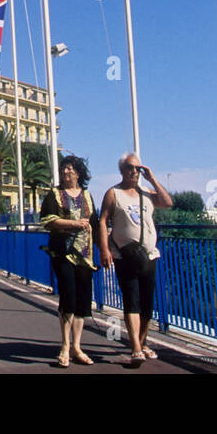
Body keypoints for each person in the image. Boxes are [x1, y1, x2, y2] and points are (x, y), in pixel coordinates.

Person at [99, 152, 173, 364]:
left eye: (137, 168)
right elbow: (103, 221)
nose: (134, 172)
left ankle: (142, 342)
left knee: (147, 304)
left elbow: (167, 203)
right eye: (130, 168)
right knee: (132, 301)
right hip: (125, 255)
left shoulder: (146, 192)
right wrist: (105, 250)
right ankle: (135, 347)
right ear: (122, 170)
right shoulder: (113, 193)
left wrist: (152, 179)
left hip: (149, 256)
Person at [39, 156, 98, 367]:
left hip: (85, 255)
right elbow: (47, 220)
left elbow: (96, 223)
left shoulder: (88, 196)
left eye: (70, 170)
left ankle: (77, 347)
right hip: (62, 252)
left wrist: (106, 250)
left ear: (79, 173)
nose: (66, 173)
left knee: (83, 301)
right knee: (68, 297)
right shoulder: (54, 195)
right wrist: (73, 223)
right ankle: (65, 346)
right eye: (64, 169)